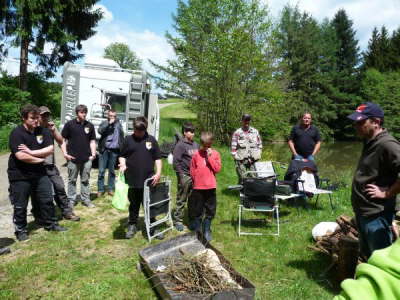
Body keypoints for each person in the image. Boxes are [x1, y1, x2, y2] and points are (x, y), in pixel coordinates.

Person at [347, 102, 400, 259]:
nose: (356, 125)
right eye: (355, 122)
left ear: (376, 122)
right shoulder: (370, 140)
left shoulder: (387, 144)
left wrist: (387, 193)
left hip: (377, 214)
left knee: (381, 259)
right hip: (364, 211)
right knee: (368, 255)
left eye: (361, 122)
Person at [8, 104, 67, 241]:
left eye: (37, 118)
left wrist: (30, 152)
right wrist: (39, 159)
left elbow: (50, 149)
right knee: (20, 205)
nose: (36, 121)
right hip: (20, 175)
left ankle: (51, 224)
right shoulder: (17, 133)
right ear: (23, 118)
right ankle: (21, 230)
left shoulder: (43, 131)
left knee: (46, 199)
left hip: (40, 174)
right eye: (32, 118)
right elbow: (21, 156)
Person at [31, 106, 80, 222]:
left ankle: (67, 212)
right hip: (36, 165)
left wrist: (53, 130)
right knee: (37, 192)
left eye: (47, 115)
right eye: (43, 115)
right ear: (38, 116)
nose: (45, 117)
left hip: (50, 165)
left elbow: (60, 140)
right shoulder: (33, 128)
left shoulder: (50, 127)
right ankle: (38, 216)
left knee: (60, 188)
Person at [119, 116, 163, 239]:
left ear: (145, 129)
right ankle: (132, 225)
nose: (137, 133)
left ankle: (153, 226)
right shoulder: (128, 140)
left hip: (148, 180)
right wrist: (122, 164)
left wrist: (158, 173)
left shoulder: (151, 140)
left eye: (140, 131)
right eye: (136, 130)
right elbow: (122, 155)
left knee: (150, 204)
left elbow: (158, 158)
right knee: (134, 204)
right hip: (132, 180)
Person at [61, 105, 96, 208]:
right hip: (73, 158)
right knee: (72, 180)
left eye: (85, 112)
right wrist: (65, 153)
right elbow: (62, 140)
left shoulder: (90, 125)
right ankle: (71, 200)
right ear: (77, 113)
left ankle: (86, 199)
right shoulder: (70, 124)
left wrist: (93, 154)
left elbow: (92, 141)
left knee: (85, 180)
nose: (84, 114)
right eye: (81, 112)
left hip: (86, 159)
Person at [189, 132, 221, 242]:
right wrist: (196, 181)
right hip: (198, 187)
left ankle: (206, 229)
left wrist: (210, 157)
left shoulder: (215, 154)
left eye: (208, 145)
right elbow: (192, 170)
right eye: (204, 145)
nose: (206, 148)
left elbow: (217, 169)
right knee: (197, 210)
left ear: (211, 143)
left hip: (210, 187)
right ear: (201, 143)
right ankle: (197, 230)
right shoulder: (196, 155)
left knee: (210, 210)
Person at [172, 122, 199, 231]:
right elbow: (176, 162)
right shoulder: (180, 145)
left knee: (193, 199)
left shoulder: (195, 145)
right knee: (182, 198)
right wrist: (181, 175)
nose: (193, 134)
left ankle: (192, 219)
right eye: (190, 132)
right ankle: (178, 220)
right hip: (185, 175)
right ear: (184, 132)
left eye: (193, 131)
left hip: (195, 176)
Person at [97, 109, 124, 197]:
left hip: (114, 150)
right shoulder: (104, 123)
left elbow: (121, 136)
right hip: (104, 150)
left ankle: (110, 189)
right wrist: (109, 124)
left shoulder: (119, 124)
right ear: (108, 116)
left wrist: (121, 148)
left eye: (114, 116)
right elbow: (100, 131)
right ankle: (100, 190)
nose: (112, 118)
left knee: (112, 171)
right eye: (111, 116)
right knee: (101, 171)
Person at [231, 114, 262, 182]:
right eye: (245, 121)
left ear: (250, 121)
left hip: (253, 159)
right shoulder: (237, 132)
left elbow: (259, 144)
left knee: (255, 177)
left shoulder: (255, 131)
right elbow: (233, 147)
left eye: (248, 121)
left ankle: (253, 191)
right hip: (241, 159)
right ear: (242, 121)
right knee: (242, 178)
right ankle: (242, 191)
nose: (246, 123)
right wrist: (236, 157)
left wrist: (259, 153)